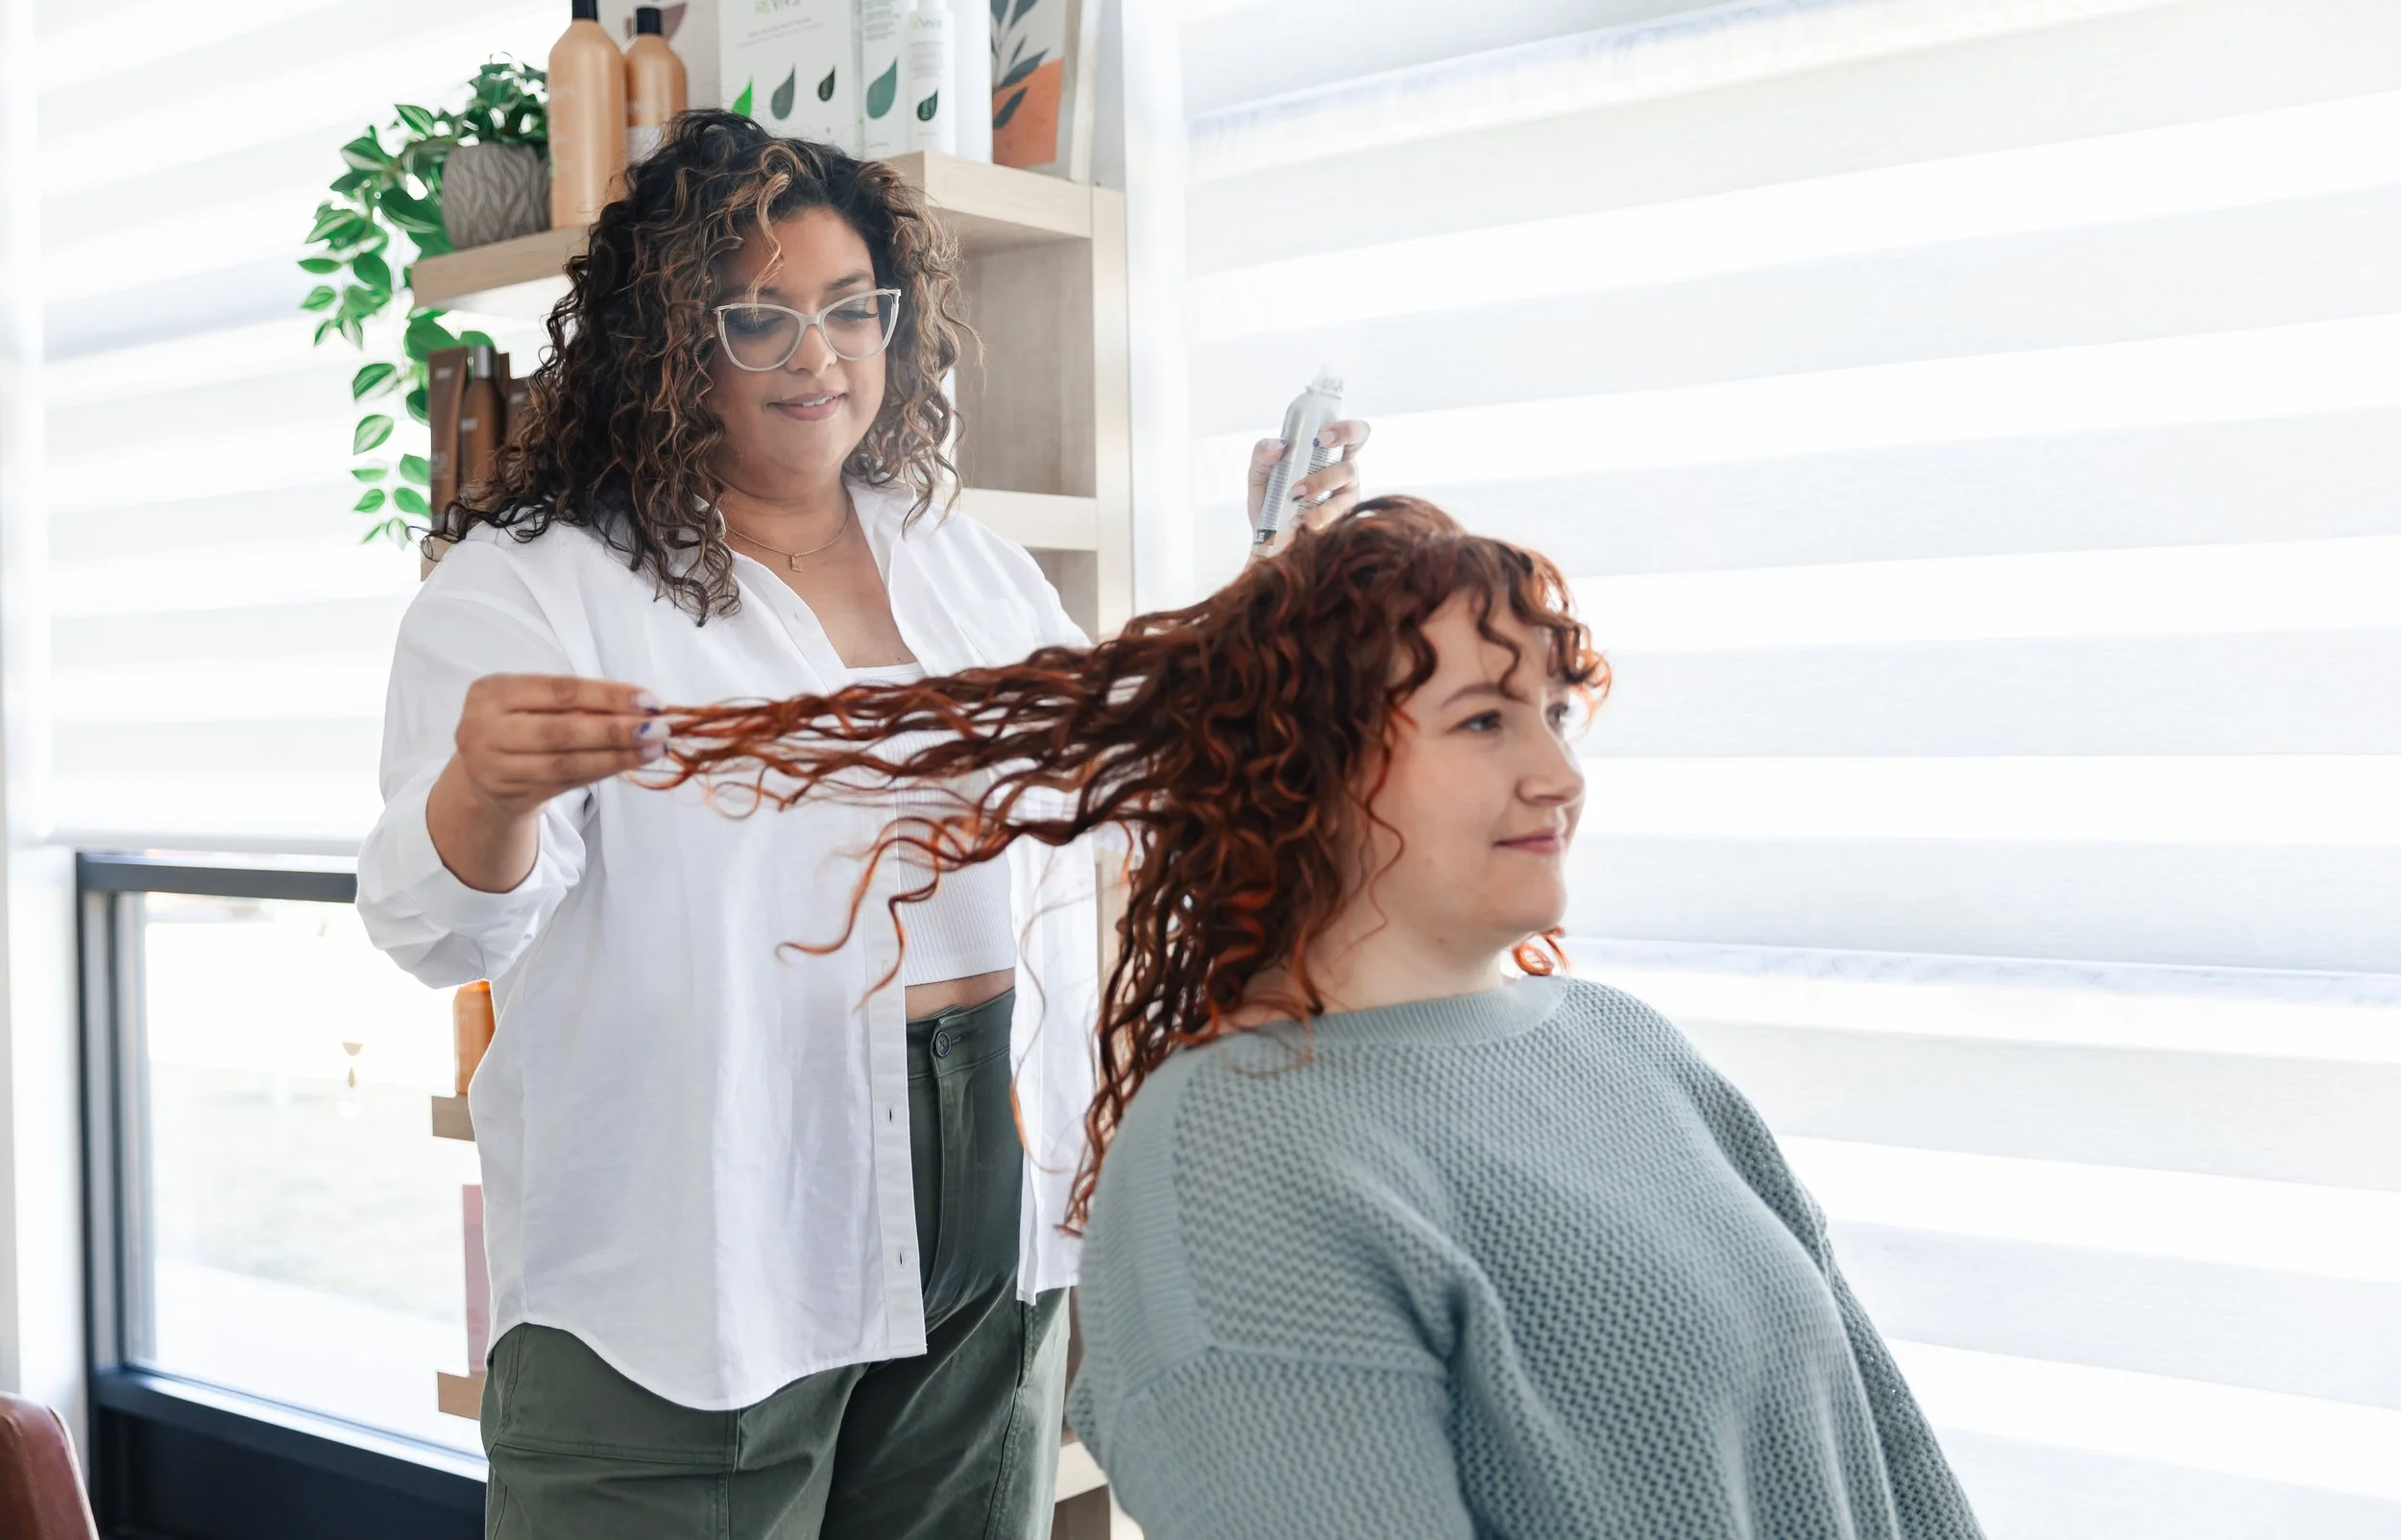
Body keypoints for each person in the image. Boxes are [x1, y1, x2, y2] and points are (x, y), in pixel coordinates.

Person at [353, 110, 1363, 1540]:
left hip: (986, 1185)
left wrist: (1274, 585)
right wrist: (486, 792)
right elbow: (436, 925)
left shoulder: (963, 563)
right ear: (663, 345)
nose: (817, 354)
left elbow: (1115, 774)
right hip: (696, 1219)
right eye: (758, 317)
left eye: (848, 309)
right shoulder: (535, 588)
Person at [649, 495, 1985, 1540]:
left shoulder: (1630, 1050)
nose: (1559, 772)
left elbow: (1895, 1468)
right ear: (1318, 767)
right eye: (1482, 720)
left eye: (1558, 713)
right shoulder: (1239, 1155)